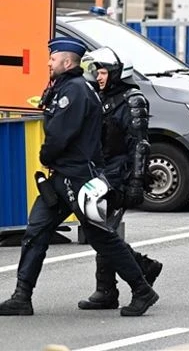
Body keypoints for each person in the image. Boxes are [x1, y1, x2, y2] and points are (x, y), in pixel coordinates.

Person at [0, 37, 158, 317]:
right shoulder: (67, 87)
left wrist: (46, 156)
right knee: (35, 233)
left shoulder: (74, 91)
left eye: (53, 57)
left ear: (67, 61)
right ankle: (21, 296)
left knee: (101, 237)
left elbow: (61, 135)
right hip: (61, 178)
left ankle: (142, 290)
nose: (49, 61)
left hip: (79, 178)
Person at [77, 48, 162, 310]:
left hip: (120, 173)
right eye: (97, 72)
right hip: (101, 171)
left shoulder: (132, 100)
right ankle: (134, 272)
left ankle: (115, 289)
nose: (99, 77)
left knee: (104, 231)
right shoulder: (101, 97)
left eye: (103, 72)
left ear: (116, 72)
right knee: (100, 228)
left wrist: (136, 181)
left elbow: (140, 145)